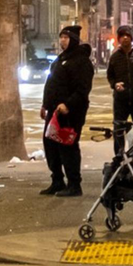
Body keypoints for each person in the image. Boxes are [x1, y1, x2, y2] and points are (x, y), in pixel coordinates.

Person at [38, 25, 94, 196]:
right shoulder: (61, 59)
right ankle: (57, 180)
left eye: (66, 37)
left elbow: (82, 89)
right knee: (51, 145)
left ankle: (74, 184)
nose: (62, 40)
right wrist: (45, 105)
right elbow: (51, 83)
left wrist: (68, 104)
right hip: (54, 112)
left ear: (74, 40)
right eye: (61, 37)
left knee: (68, 147)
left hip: (71, 113)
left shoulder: (81, 61)